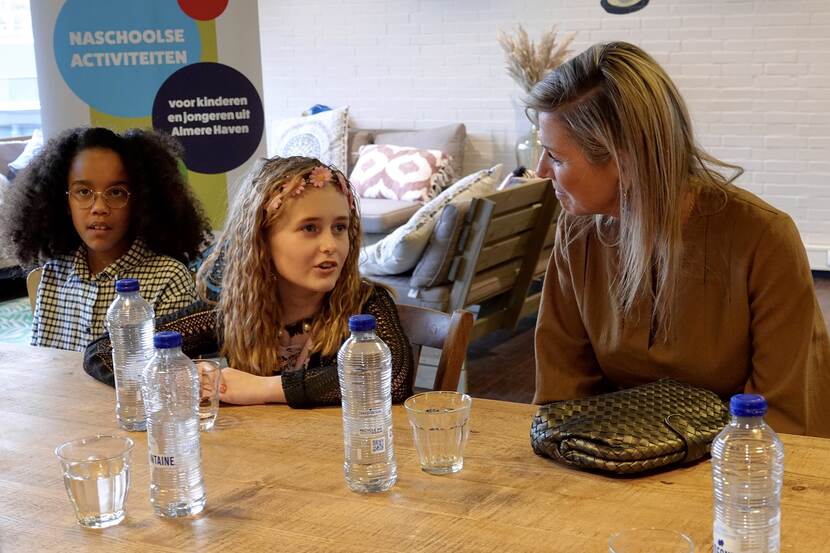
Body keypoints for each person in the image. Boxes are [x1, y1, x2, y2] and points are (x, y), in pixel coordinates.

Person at [528, 41, 830, 437]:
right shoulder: (578, 231)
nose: (539, 170)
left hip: (733, 475)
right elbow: (562, 394)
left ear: (626, 162)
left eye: (556, 157)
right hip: (610, 463)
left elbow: (784, 421)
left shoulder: (764, 238)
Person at [84, 156, 414, 408]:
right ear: (260, 239)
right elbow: (106, 352)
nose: (331, 244)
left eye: (340, 228)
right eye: (310, 228)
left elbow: (392, 379)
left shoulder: (365, 305)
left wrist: (263, 388)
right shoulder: (232, 313)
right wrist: (184, 379)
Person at [0, 127, 211, 351]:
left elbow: (169, 376)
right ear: (63, 203)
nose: (99, 207)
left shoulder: (169, 280)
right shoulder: (54, 274)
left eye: (116, 192)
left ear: (140, 202)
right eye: (83, 192)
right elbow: (42, 367)